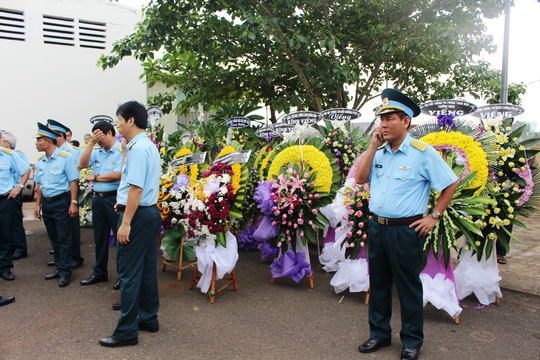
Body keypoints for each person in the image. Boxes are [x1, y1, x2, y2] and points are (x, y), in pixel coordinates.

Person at [355, 89, 459, 360]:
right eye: (382, 118)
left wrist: (433, 216)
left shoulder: (422, 153)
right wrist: (371, 146)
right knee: (378, 283)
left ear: (406, 122)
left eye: (390, 118)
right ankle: (379, 334)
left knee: (407, 286)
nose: (384, 124)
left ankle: (412, 341)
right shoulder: (378, 151)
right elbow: (359, 179)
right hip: (377, 226)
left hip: (406, 230)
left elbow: (450, 183)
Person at [99, 101, 161, 348]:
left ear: (131, 121)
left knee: (128, 273)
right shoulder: (148, 146)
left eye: (119, 121)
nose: (118, 126)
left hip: (137, 216)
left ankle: (126, 332)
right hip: (146, 212)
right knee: (145, 270)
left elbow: (136, 188)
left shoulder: (136, 148)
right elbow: (135, 188)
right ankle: (148, 318)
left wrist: (125, 223)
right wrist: (122, 203)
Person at [33, 123, 80, 287]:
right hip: (47, 203)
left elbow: (73, 181)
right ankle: (59, 267)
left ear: (49, 141)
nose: (37, 143)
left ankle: (66, 272)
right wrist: (37, 205)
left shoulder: (65, 158)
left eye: (39, 140)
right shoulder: (40, 162)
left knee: (64, 237)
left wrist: (73, 203)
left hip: (61, 202)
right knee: (54, 237)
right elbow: (39, 185)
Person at [79, 121, 123, 286]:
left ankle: (122, 275)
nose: (97, 139)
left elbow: (118, 174)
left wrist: (96, 177)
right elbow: (82, 164)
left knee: (120, 240)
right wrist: (91, 143)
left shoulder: (120, 150)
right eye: (94, 136)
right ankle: (99, 272)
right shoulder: (97, 152)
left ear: (110, 133)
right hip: (98, 199)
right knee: (100, 237)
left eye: (99, 135)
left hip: (114, 198)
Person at [46, 119, 84, 269]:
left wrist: (73, 201)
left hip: (69, 192)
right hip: (58, 193)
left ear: (59, 136)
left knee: (71, 227)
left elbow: (76, 173)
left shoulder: (72, 151)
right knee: (58, 230)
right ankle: (61, 258)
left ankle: (75, 257)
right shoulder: (53, 153)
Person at [0, 134, 30, 281]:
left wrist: (19, 187)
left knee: (5, 234)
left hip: (5, 199)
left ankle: (5, 267)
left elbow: (26, 170)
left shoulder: (8, 155)